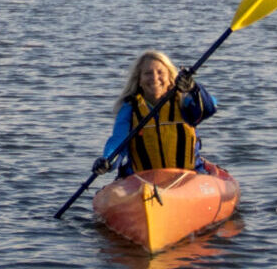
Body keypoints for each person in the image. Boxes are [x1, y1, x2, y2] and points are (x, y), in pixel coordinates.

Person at [92, 49, 219, 179]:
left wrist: (194, 88)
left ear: (170, 78)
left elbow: (209, 108)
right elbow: (118, 141)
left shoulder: (184, 102)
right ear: (139, 80)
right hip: (142, 179)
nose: (154, 78)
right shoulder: (130, 109)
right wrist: (107, 160)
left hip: (185, 177)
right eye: (147, 73)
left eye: (160, 72)